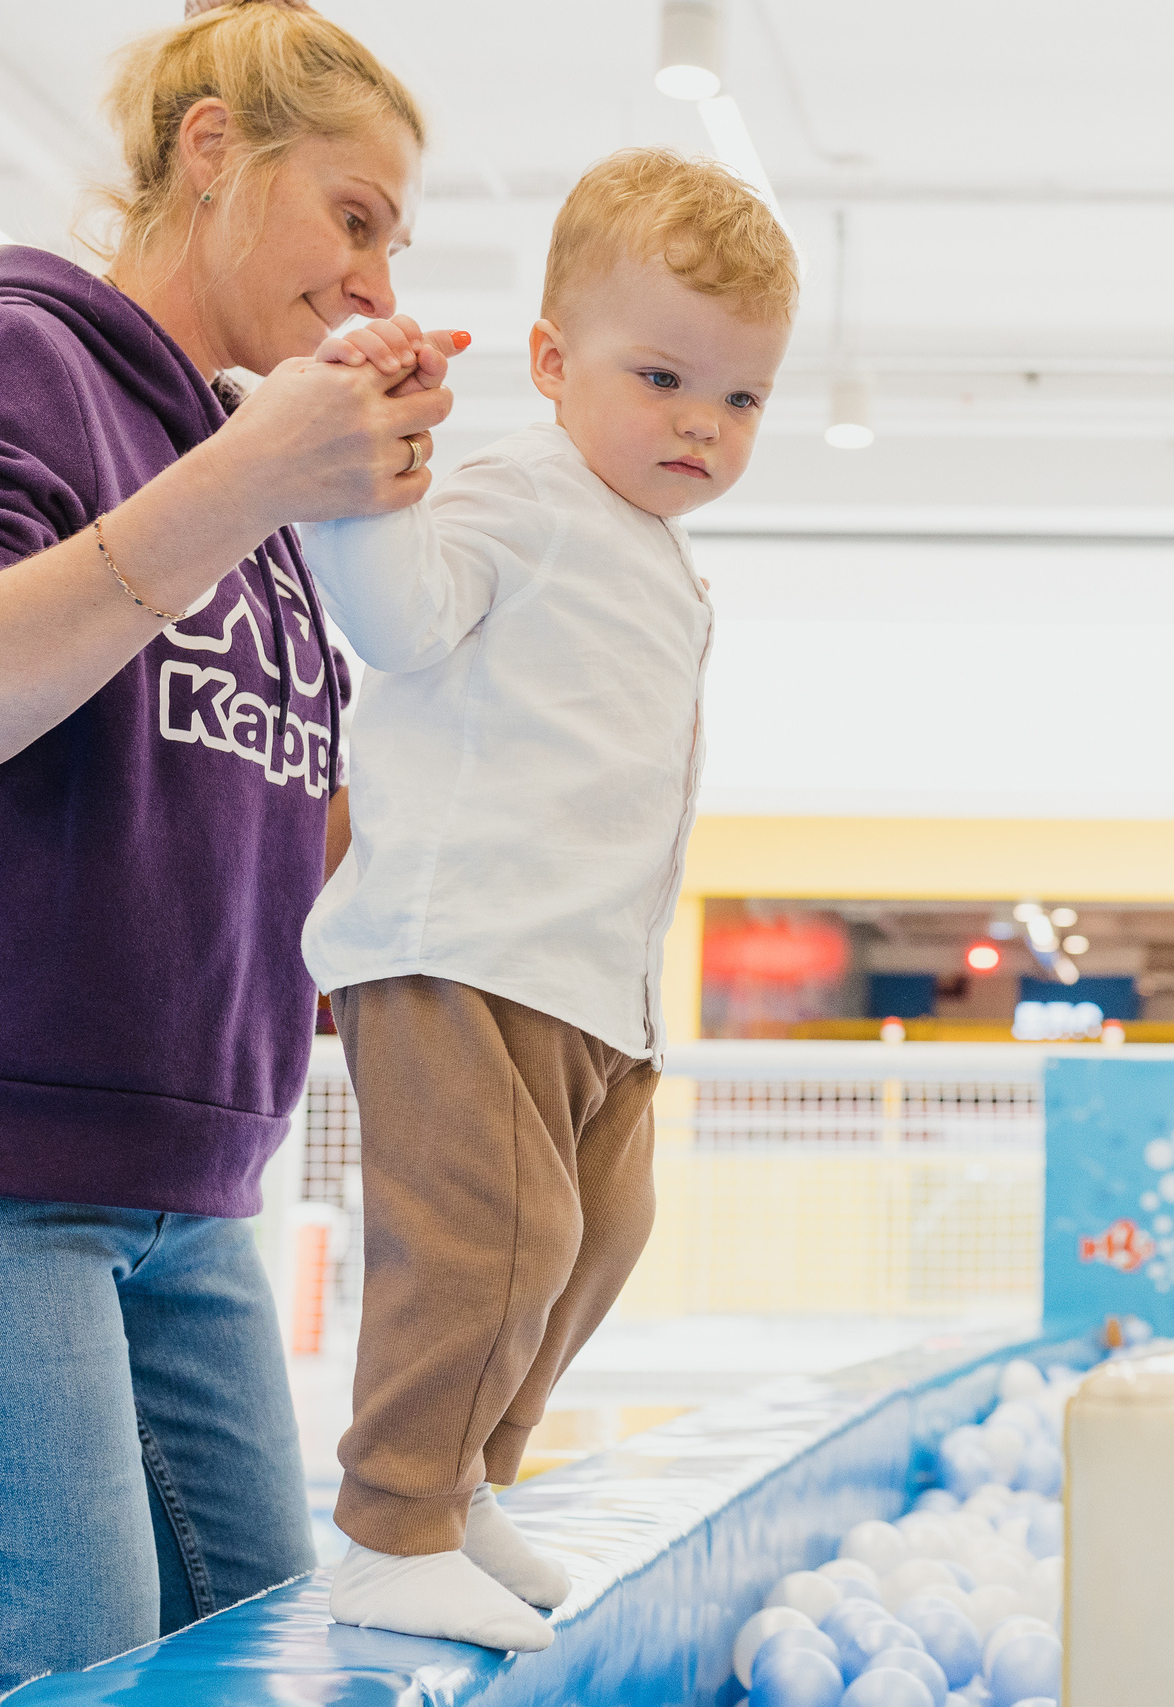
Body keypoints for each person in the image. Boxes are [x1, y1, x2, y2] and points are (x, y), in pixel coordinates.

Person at [0, 1, 456, 1700]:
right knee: (67, 1676)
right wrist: (246, 482)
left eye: (395, 240)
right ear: (214, 151)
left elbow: (259, 823)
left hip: (198, 1197)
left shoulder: (253, 476)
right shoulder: (15, 364)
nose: (376, 279)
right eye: (355, 216)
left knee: (263, 1669)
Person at [298, 147, 799, 1650]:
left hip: (589, 978)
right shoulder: (519, 483)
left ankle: (464, 1484)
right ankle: (392, 1526)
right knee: (488, 1235)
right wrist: (359, 473)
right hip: (466, 949)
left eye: (742, 399)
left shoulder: (656, 556)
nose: (703, 426)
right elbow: (395, 620)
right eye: (663, 378)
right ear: (548, 361)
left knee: (599, 1230)